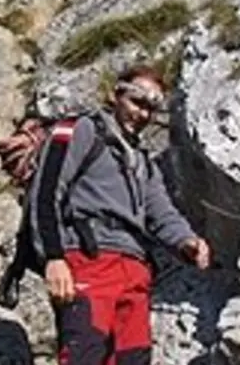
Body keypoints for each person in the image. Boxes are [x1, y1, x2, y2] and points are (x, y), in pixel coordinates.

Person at [26, 65, 211, 365]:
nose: (142, 114)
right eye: (136, 102)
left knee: (134, 357)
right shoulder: (80, 130)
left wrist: (186, 240)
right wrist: (53, 258)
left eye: (150, 109)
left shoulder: (142, 162)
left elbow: (161, 211)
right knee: (85, 353)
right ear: (115, 95)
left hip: (135, 272)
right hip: (89, 259)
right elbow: (46, 191)